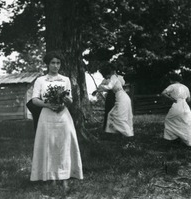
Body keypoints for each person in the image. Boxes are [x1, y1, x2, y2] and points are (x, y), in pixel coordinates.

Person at [30, 51, 83, 191]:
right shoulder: (40, 80)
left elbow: (70, 99)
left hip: (63, 116)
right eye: (52, 63)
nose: (55, 66)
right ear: (47, 64)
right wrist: (47, 104)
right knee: (49, 145)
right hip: (47, 115)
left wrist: (66, 101)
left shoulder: (65, 79)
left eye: (58, 63)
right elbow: (34, 99)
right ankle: (50, 177)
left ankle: (65, 176)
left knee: (64, 145)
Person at [93, 64, 134, 137]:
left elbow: (109, 86)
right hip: (119, 96)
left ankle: (128, 134)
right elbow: (107, 87)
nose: (105, 77)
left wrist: (101, 87)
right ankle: (112, 133)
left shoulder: (114, 77)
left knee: (119, 116)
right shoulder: (111, 78)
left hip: (122, 97)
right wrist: (97, 90)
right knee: (111, 114)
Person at [161, 72, 191, 147]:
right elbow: (189, 99)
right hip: (185, 106)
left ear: (172, 80)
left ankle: (172, 138)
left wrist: (171, 98)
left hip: (176, 104)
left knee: (169, 120)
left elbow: (163, 93)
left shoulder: (172, 86)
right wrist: (183, 101)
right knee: (187, 122)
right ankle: (188, 141)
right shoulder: (185, 87)